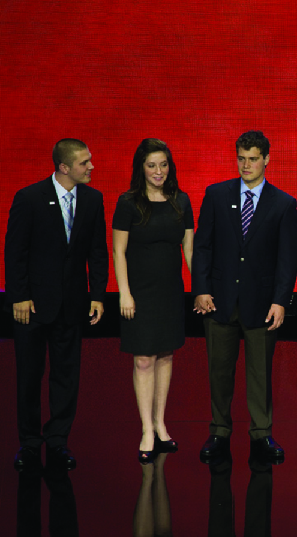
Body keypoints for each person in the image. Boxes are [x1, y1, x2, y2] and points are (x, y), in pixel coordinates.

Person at [192, 130, 297, 464]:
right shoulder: (216, 194)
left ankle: (261, 433)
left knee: (260, 374)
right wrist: (201, 289)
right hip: (219, 299)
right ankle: (219, 431)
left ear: (267, 159)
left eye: (253, 158)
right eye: (241, 158)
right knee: (219, 372)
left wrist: (281, 300)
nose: (246, 165)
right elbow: (203, 246)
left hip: (262, 303)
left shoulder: (283, 203)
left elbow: (288, 257)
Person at [5, 138, 108, 471]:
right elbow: (15, 252)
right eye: (84, 162)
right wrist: (18, 296)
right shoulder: (29, 198)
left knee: (66, 376)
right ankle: (30, 443)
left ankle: (58, 441)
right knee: (30, 376)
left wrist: (97, 295)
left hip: (72, 305)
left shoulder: (93, 200)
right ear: (64, 167)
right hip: (32, 306)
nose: (91, 167)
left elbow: (97, 251)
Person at [112, 138, 194, 464]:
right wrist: (124, 292)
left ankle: (161, 424)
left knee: (165, 355)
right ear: (141, 168)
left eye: (163, 165)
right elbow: (118, 251)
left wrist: (200, 287)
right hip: (139, 293)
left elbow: (189, 250)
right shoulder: (128, 202)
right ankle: (146, 427)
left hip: (171, 292)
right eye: (151, 165)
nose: (158, 171)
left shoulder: (181, 201)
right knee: (143, 359)